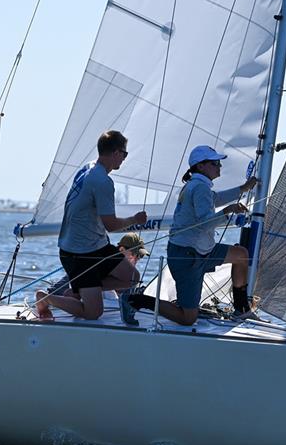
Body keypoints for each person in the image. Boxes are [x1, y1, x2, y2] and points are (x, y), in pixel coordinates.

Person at [120, 145, 257, 326]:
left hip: (200, 251)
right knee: (187, 318)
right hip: (188, 256)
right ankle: (136, 301)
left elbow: (215, 199)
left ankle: (242, 310)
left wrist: (243, 189)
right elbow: (205, 223)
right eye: (215, 163)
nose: (219, 166)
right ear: (201, 166)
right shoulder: (199, 187)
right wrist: (229, 210)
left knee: (241, 255)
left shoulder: (198, 185)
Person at [35, 130, 147, 320]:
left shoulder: (88, 168)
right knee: (94, 313)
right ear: (116, 153)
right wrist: (135, 220)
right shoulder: (102, 181)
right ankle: (46, 299)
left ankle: (80, 289)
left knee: (132, 277)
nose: (124, 159)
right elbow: (111, 225)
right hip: (78, 254)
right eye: (125, 154)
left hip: (96, 246)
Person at [42, 233, 150, 298]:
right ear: (121, 250)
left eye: (140, 257)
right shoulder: (100, 266)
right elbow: (58, 289)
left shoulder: (130, 276)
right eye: (135, 255)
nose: (137, 260)